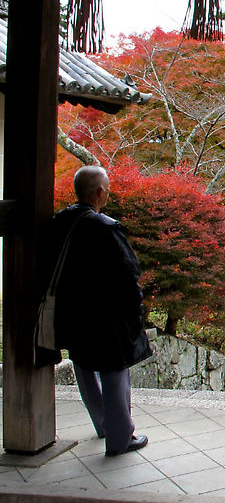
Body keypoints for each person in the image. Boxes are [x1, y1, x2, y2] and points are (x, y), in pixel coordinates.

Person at [47, 165, 152, 457]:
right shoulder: (104, 227)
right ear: (99, 192)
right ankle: (120, 438)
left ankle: (103, 423)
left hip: (71, 311)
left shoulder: (59, 222)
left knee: (83, 366)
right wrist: (137, 311)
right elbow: (128, 273)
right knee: (114, 371)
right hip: (106, 314)